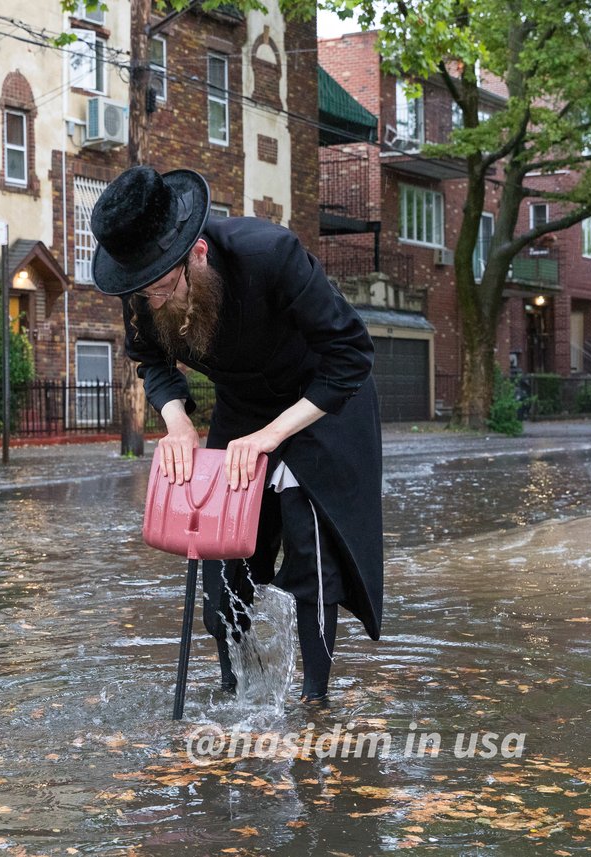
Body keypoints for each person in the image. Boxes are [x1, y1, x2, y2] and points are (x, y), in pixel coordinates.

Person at [91, 166, 383, 704]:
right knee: (220, 555)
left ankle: (313, 702)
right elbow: (151, 360)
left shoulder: (269, 254)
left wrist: (271, 436)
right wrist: (178, 425)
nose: (151, 304)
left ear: (196, 253)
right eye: (142, 295)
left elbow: (353, 356)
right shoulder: (144, 287)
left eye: (160, 290)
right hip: (242, 407)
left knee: (307, 535)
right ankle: (236, 688)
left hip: (320, 402)